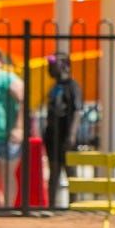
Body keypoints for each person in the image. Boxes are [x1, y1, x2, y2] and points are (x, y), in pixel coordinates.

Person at [44, 53, 81, 209]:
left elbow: (77, 111)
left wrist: (72, 135)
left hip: (67, 135)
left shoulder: (72, 86)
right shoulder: (54, 87)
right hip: (53, 136)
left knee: (70, 171)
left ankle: (74, 205)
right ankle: (51, 206)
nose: (52, 68)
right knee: (54, 172)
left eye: (55, 65)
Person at [0, 48, 24, 208]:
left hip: (8, 136)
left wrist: (19, 127)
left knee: (7, 174)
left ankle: (7, 208)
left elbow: (23, 99)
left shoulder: (7, 78)